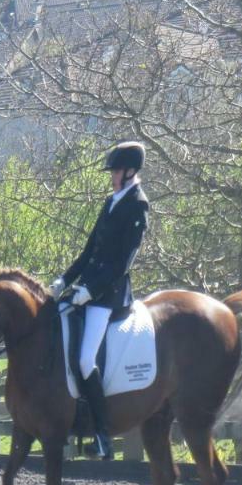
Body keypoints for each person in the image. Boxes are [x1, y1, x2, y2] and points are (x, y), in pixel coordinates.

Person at [50, 141, 150, 459]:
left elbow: (122, 263)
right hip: (88, 289)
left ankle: (103, 435)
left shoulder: (138, 204)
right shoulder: (111, 201)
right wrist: (65, 280)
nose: (113, 176)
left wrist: (90, 290)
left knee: (84, 360)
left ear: (131, 171)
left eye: (117, 171)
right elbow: (90, 250)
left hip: (109, 296)